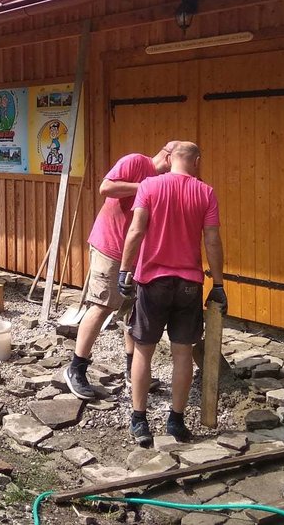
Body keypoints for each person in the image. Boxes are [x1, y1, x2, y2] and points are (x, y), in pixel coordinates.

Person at [117, 141, 227, 446]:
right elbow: (213, 241)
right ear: (197, 161)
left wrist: (125, 270)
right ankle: (176, 422)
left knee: (143, 350)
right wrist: (218, 285)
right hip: (189, 285)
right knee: (182, 354)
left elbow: (137, 230)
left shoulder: (150, 186)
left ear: (169, 158)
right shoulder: (205, 192)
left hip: (152, 281)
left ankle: (139, 421)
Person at [63, 142, 176, 401]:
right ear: (168, 157)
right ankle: (76, 368)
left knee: (132, 312)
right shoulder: (137, 162)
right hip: (110, 247)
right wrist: (144, 187)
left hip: (137, 255)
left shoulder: (163, 181)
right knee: (103, 304)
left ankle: (131, 371)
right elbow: (106, 187)